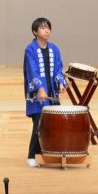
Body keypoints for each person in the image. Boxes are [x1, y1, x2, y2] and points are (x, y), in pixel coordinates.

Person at [23, 17, 67, 167]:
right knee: (39, 124)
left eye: (48, 27)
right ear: (35, 32)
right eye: (42, 28)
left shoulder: (55, 49)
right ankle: (32, 155)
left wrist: (61, 83)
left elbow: (58, 70)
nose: (47, 30)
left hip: (52, 95)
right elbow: (32, 71)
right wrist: (40, 88)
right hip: (38, 96)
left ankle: (48, 153)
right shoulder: (30, 49)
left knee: (53, 124)